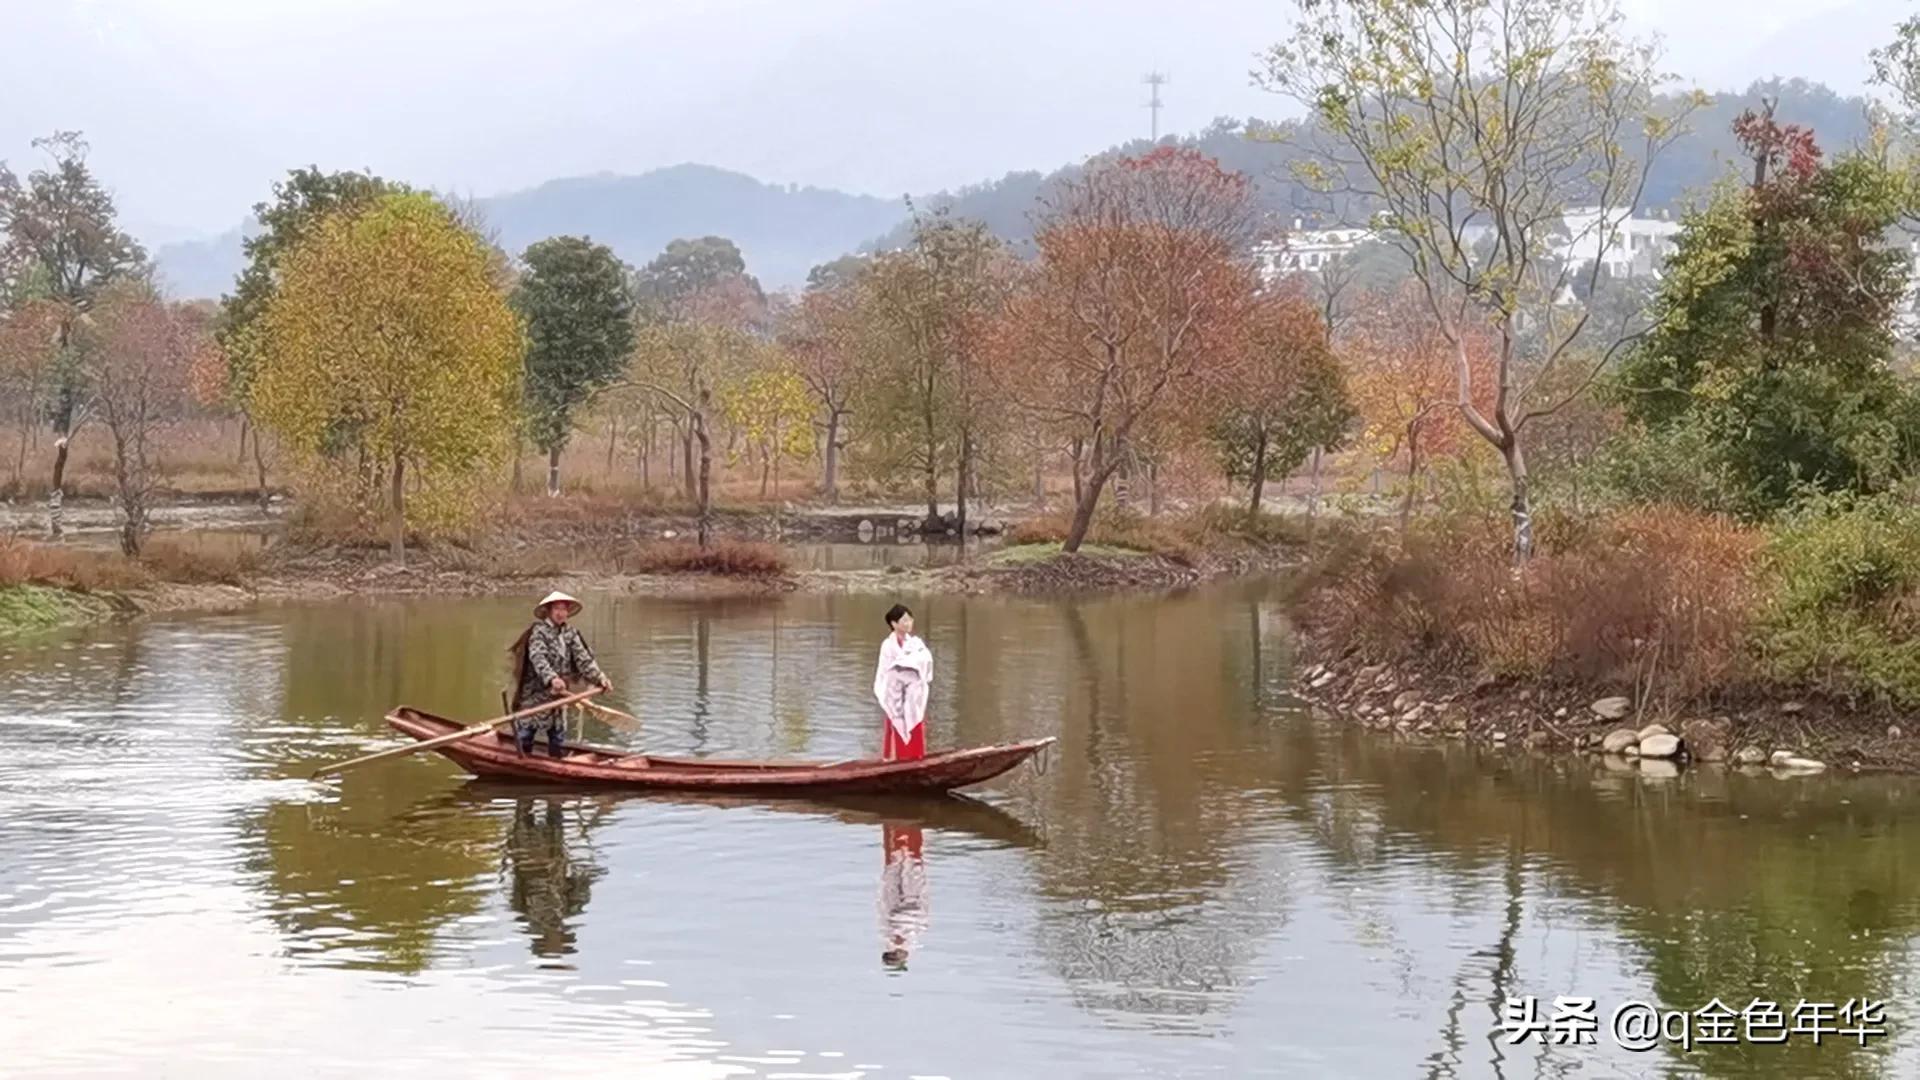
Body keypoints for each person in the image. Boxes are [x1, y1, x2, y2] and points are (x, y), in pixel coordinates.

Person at [508, 590, 612, 757]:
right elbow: (538, 658)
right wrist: (552, 678)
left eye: (564, 609)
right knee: (526, 734)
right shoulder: (539, 632)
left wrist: (600, 677)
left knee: (557, 738)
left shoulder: (571, 634)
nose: (561, 613)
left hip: (558, 695)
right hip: (536, 693)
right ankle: (519, 763)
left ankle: (556, 764)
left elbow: (583, 660)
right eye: (557, 608)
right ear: (549, 611)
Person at [872, 603, 931, 761]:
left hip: (913, 693)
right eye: (904, 621)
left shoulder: (916, 644)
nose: (908, 624)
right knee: (897, 724)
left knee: (915, 724)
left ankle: (915, 757)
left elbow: (925, 664)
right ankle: (896, 759)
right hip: (895, 693)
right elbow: (885, 671)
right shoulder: (887, 646)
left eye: (910, 620)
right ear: (894, 624)